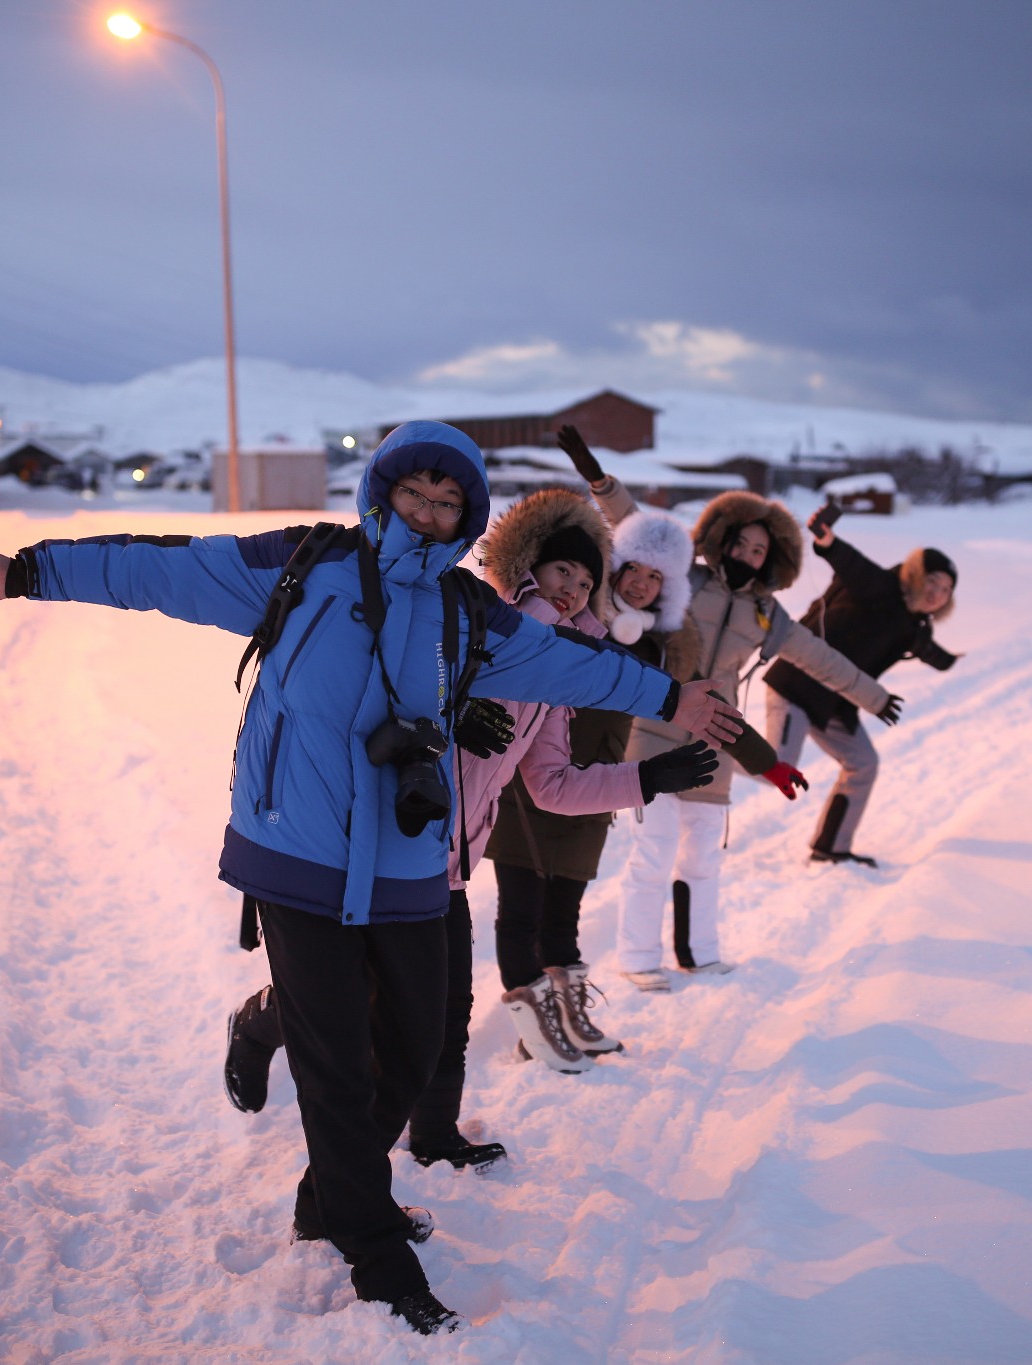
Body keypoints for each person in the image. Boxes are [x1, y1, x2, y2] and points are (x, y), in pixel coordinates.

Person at [0, 421, 742, 1336]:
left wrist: (672, 698)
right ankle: (371, 1248)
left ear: (465, 516)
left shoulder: (466, 615)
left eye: (449, 505)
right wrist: (30, 570)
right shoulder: (302, 566)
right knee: (336, 1062)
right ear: (383, 490)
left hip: (407, 858)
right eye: (416, 496)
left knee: (415, 1037)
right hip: (295, 849)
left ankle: (331, 1192)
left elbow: (570, 663)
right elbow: (158, 569)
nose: (430, 516)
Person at [224, 490, 720, 1175]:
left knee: (443, 1006)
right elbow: (378, 691)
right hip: (377, 844)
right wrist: (452, 717)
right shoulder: (466, 622)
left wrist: (646, 777)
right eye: (561, 574)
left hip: (447, 861)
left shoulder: (556, 675)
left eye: (585, 580)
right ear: (528, 566)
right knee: (354, 994)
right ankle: (263, 1023)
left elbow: (552, 783)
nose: (573, 590)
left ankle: (433, 1132)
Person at [556, 426, 897, 990]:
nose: (745, 553)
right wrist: (599, 478)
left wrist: (874, 695)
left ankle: (699, 952)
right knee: (654, 851)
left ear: (774, 558)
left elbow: (821, 658)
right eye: (739, 542)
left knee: (704, 856)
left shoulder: (767, 615)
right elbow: (633, 522)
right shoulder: (685, 575)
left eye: (758, 549)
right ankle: (638, 958)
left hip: (715, 741)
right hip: (652, 729)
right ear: (722, 538)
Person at [485, 499, 803, 1029]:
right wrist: (602, 485)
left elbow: (704, 707)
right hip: (529, 779)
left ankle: (567, 1021)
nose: (641, 585)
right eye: (634, 571)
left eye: (658, 579)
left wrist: (764, 762)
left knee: (564, 914)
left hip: (599, 785)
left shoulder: (660, 649)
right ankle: (534, 1029)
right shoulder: (581, 629)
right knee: (520, 910)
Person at [763, 511, 960, 867]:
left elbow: (925, 647)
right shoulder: (879, 586)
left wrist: (948, 660)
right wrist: (827, 539)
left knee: (863, 763)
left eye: (946, 590)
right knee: (773, 765)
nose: (937, 593)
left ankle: (831, 847)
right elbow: (850, 563)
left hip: (835, 703)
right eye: (933, 581)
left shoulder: (914, 623)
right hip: (797, 685)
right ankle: (693, 752)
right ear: (916, 573)